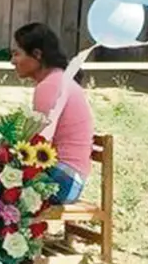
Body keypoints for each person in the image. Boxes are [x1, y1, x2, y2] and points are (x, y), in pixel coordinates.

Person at [11, 23, 95, 203]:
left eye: (17, 53)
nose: (12, 61)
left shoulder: (50, 85)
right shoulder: (58, 78)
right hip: (71, 177)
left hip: (63, 181)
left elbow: (39, 140)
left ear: (37, 55)